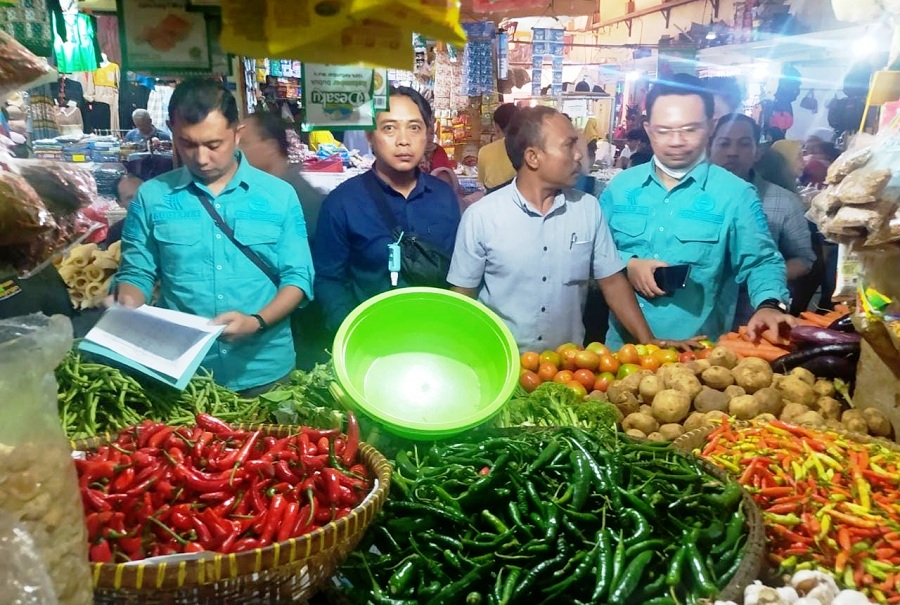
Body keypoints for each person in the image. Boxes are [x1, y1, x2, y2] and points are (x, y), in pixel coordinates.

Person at [113, 78, 314, 395]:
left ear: (237, 134)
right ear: (171, 129)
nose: (201, 158)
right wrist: (128, 306)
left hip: (265, 371)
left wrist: (255, 322)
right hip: (184, 373)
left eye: (214, 145)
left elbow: (298, 278)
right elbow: (137, 271)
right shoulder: (151, 197)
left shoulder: (279, 196)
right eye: (188, 144)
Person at [447, 106, 667, 353]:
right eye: (568, 145)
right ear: (533, 157)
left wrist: (648, 342)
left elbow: (613, 282)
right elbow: (463, 297)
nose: (578, 156)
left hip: (569, 370)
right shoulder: (482, 217)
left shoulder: (587, 209)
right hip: (502, 366)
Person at [600, 74, 793, 348]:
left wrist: (770, 304)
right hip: (621, 353)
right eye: (664, 130)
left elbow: (761, 261)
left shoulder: (736, 194)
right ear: (647, 128)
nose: (677, 141)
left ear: (711, 126)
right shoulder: (620, 187)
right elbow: (593, 253)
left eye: (690, 130)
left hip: (695, 356)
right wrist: (627, 264)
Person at [313, 86, 460, 332]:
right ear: (370, 135)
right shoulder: (342, 203)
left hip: (437, 336)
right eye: (389, 128)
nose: (403, 140)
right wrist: (353, 332)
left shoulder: (444, 197)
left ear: (427, 135)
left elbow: (458, 270)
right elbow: (328, 280)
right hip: (371, 340)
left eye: (414, 127)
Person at [709, 113, 816, 326]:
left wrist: (764, 276)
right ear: (709, 149)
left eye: (744, 144)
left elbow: (804, 259)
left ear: (757, 152)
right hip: (700, 318)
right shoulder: (690, 199)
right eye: (724, 143)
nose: (732, 152)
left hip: (753, 319)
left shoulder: (784, 201)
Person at [239, 112, 325, 244]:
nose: (237, 150)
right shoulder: (251, 189)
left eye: (244, 143)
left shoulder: (302, 199)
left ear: (270, 147)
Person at [477, 104, 518, 192]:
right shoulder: (527, 148)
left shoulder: (484, 151)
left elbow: (481, 183)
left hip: (493, 199)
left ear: (496, 126)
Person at [104, 173, 143, 247]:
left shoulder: (168, 221)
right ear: (120, 203)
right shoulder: (117, 232)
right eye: (131, 198)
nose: (139, 200)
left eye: (141, 193)